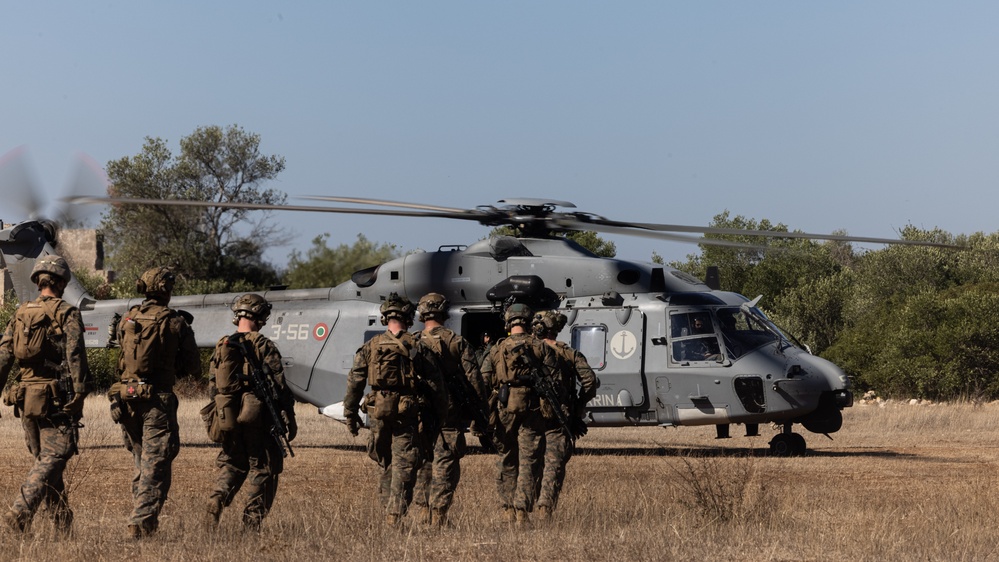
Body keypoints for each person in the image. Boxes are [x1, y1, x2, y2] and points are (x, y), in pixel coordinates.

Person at [1, 255, 91, 534]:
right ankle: (20, 511)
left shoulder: (21, 313)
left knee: (47, 463)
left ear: (38, 281)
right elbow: (75, 354)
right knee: (54, 457)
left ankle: (64, 527)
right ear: (62, 282)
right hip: (55, 397)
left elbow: (4, 355)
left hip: (25, 398)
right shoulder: (68, 313)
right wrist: (79, 391)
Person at [342, 292, 447, 526]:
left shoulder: (369, 347)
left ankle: (389, 508)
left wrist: (350, 414)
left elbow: (354, 383)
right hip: (405, 412)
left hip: (378, 411)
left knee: (387, 462)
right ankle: (394, 515)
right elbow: (436, 385)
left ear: (384, 318)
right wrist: (439, 415)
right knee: (404, 463)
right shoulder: (418, 347)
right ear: (409, 318)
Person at [111, 266, 200, 538]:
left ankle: (144, 520)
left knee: (141, 460)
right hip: (157, 401)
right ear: (166, 290)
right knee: (156, 463)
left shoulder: (127, 319)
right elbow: (193, 368)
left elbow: (121, 358)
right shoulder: (174, 322)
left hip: (125, 398)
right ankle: (139, 522)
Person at [206, 293, 297, 531]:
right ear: (260, 316)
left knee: (233, 464)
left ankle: (217, 498)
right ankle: (251, 523)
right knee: (265, 468)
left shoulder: (222, 345)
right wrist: (289, 415)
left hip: (227, 414)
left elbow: (212, 385)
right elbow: (279, 385)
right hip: (257, 417)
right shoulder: (263, 344)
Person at [411, 293, 489, 527]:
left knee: (423, 461)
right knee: (446, 461)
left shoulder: (412, 341)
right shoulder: (457, 342)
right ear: (445, 312)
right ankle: (439, 516)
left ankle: (424, 512)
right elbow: (475, 381)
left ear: (422, 313)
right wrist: (481, 415)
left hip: (419, 411)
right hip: (449, 412)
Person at [480, 303, 558, 528]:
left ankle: (507, 509)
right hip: (532, 409)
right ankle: (522, 509)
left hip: (504, 408)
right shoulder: (540, 347)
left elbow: (484, 380)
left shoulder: (496, 348)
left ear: (508, 322)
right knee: (529, 460)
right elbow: (554, 380)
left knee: (506, 457)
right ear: (528, 322)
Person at [532, 310, 598, 520]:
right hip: (557, 416)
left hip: (528, 417)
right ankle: (544, 509)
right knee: (553, 463)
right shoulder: (568, 353)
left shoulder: (525, 350)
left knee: (526, 461)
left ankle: (520, 510)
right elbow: (590, 382)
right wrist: (577, 406)